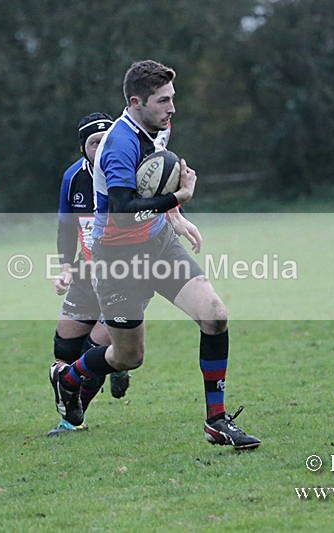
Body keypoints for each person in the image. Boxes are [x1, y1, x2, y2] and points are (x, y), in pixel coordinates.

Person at [48, 59, 260, 449]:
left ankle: (216, 420)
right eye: (163, 101)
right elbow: (123, 210)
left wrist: (174, 216)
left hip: (160, 244)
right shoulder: (118, 145)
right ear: (136, 102)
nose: (172, 108)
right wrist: (178, 197)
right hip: (117, 259)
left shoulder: (159, 126)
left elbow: (157, 177)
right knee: (127, 357)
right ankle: (69, 379)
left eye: (172, 98)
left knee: (214, 315)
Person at [48, 111, 128, 436]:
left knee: (92, 351)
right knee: (63, 350)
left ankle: (72, 420)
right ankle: (118, 362)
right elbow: (66, 227)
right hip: (87, 274)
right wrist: (65, 268)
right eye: (95, 142)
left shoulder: (128, 171)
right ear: (83, 147)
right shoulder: (73, 178)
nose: (101, 148)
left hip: (126, 277)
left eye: (107, 140)